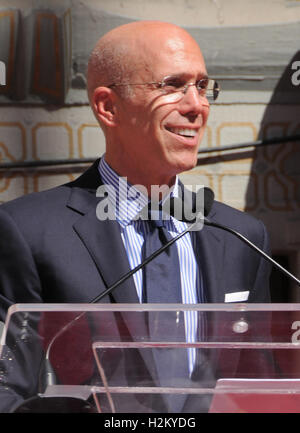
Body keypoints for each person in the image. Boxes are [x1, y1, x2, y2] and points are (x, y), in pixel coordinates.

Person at [0, 21, 271, 413]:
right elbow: (6, 388)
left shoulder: (241, 236)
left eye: (202, 85)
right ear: (108, 106)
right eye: (173, 85)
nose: (196, 105)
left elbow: (261, 384)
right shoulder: (27, 232)